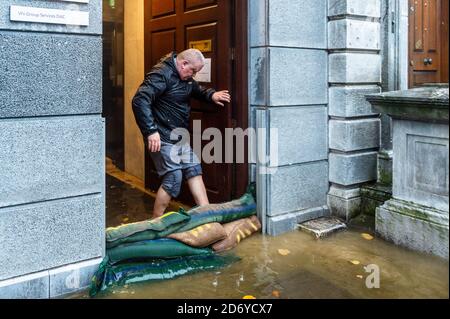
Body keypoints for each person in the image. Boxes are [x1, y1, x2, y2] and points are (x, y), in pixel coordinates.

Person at [132, 49, 231, 219]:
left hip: (178, 135)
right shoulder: (161, 74)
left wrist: (211, 95)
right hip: (161, 135)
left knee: (194, 169)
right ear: (183, 63)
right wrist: (151, 131)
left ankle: (207, 215)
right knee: (173, 178)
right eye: (193, 71)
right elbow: (140, 100)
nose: (193, 75)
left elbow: (195, 89)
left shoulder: (185, 77)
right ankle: (155, 223)